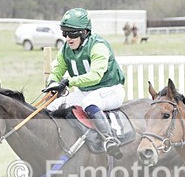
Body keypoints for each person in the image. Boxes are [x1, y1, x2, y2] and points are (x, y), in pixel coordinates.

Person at [43, 8, 125, 158]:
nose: (68, 38)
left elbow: (95, 76)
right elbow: (58, 69)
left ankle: (109, 139)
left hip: (110, 90)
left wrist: (68, 82)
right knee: (53, 105)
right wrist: (53, 83)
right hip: (86, 92)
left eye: (73, 33)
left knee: (88, 102)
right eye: (65, 33)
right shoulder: (66, 49)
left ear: (84, 32)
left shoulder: (98, 46)